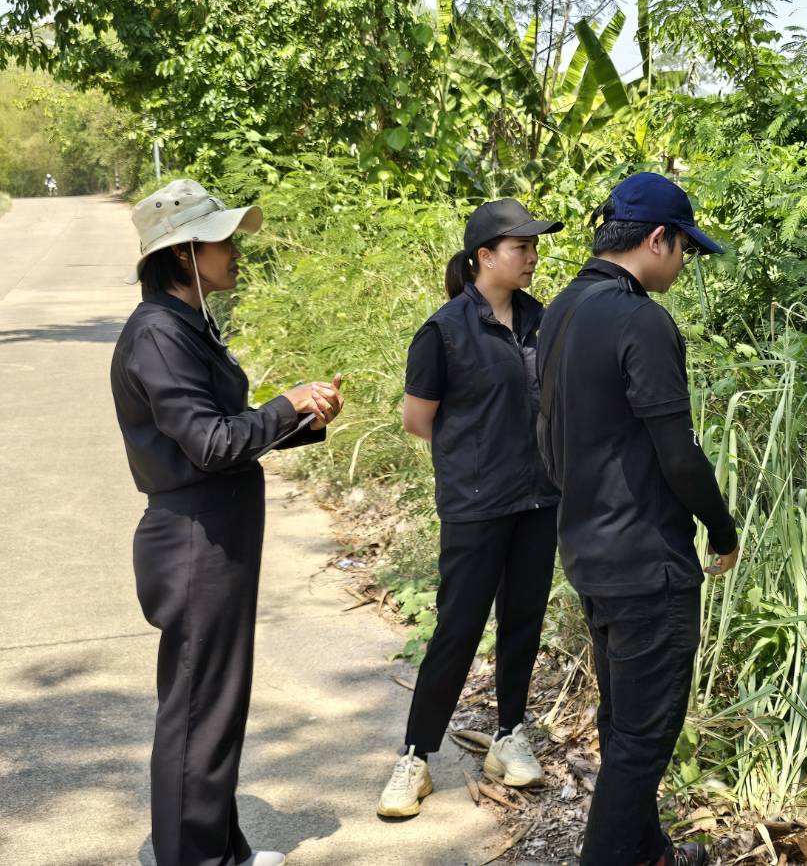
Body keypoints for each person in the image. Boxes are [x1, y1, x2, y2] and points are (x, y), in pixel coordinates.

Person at [110, 179, 344, 866]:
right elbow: (209, 444)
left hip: (213, 535)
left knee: (215, 702)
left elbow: (223, 431)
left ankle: (220, 849)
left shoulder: (187, 324)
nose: (235, 250)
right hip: (192, 540)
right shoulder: (158, 333)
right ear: (183, 254)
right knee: (198, 708)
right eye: (221, 240)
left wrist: (301, 418)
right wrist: (284, 404)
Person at [538, 172, 739, 866]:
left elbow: (548, 438)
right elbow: (678, 453)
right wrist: (721, 528)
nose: (683, 264)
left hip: (588, 552)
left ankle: (649, 853)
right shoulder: (640, 320)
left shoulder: (562, 309)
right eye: (684, 248)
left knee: (622, 722)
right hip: (646, 563)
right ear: (658, 239)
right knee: (643, 740)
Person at [376, 199, 566, 818]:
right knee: (457, 628)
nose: (532, 257)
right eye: (521, 247)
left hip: (539, 498)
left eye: (534, 247)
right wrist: (480, 453)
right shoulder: (445, 331)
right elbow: (418, 420)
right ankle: (415, 757)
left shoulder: (543, 321)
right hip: (476, 504)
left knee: (522, 622)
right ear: (484, 256)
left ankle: (510, 735)